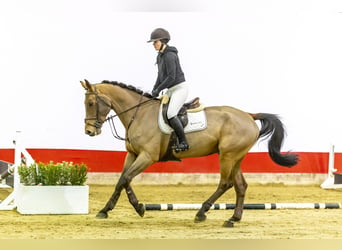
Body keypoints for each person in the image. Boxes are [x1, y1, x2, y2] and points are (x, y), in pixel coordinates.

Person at [147, 28, 189, 152]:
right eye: (153, 43)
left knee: (171, 113)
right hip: (171, 89)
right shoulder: (160, 56)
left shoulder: (170, 55)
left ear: (163, 42)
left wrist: (159, 89)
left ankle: (183, 142)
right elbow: (160, 76)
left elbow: (171, 77)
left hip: (180, 88)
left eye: (155, 42)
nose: (154, 44)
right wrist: (154, 89)